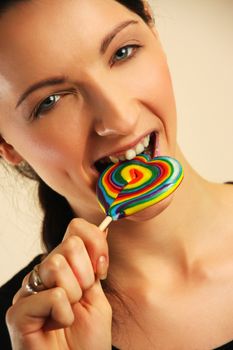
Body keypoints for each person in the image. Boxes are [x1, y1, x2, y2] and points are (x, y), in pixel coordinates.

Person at [0, 0, 232, 349]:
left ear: (153, 31)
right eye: (50, 101)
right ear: (7, 145)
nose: (120, 119)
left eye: (123, 52)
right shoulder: (26, 334)